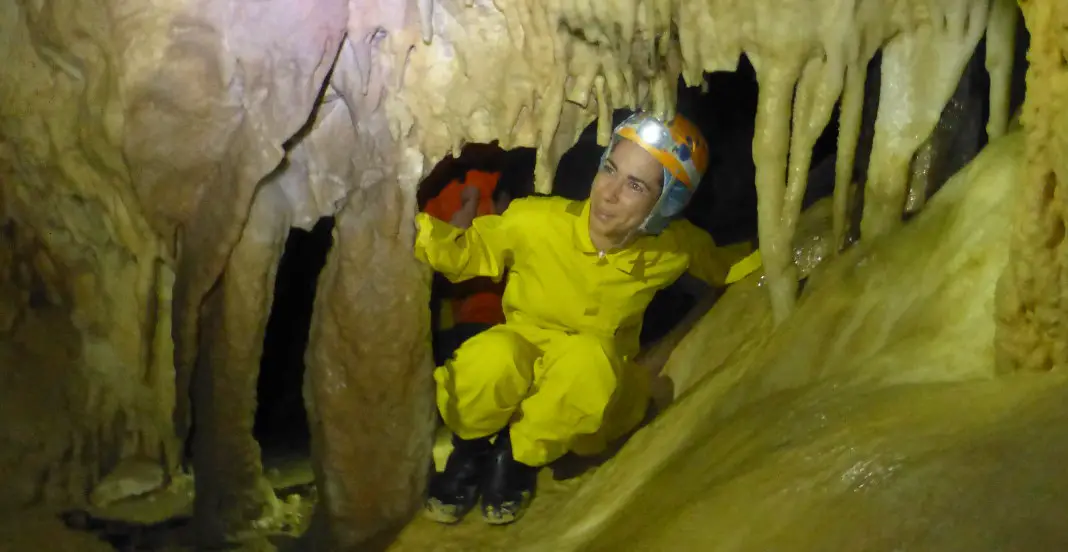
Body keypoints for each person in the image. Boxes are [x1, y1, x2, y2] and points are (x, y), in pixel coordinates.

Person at [412, 111, 755, 526]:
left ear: (666, 204)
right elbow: (467, 251)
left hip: (592, 375)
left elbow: (721, 265)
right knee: (491, 355)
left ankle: (517, 457)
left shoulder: (673, 248)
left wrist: (783, 245)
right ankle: (470, 450)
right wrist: (407, 229)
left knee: (587, 362)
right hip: (524, 346)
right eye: (610, 169)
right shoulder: (536, 220)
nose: (609, 193)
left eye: (635, 185)